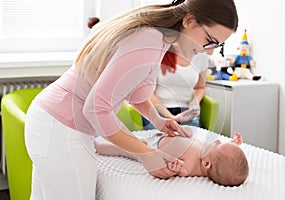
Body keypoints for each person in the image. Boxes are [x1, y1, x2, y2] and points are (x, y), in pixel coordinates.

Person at [24, 0, 238, 199]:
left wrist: (157, 120)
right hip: (61, 128)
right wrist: (145, 154)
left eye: (216, 46)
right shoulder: (148, 41)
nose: (207, 51)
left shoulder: (159, 38)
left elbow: (135, 91)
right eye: (209, 41)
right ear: (189, 20)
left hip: (53, 124)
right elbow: (96, 108)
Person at [95, 131, 249, 186]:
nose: (216, 141)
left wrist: (171, 169)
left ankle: (98, 146)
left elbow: (168, 170)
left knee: (123, 149)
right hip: (161, 137)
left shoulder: (188, 168)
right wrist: (232, 143)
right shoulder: (210, 156)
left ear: (207, 164)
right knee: (128, 138)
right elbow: (224, 152)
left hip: (151, 150)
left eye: (217, 145)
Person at [143, 52, 209, 130]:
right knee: (165, 139)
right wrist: (172, 117)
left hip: (185, 112)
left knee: (195, 138)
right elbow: (149, 94)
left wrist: (195, 102)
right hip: (157, 111)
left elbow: (200, 87)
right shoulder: (159, 53)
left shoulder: (202, 57)